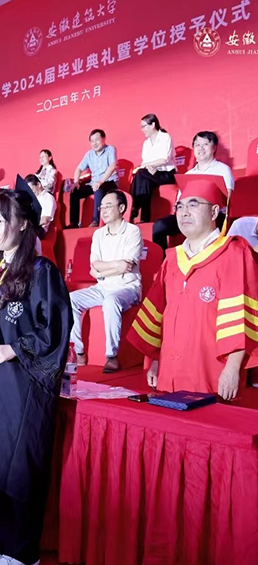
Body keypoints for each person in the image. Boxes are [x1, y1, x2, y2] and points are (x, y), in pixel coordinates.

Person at [0, 189, 72, 565]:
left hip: (25, 384)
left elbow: (54, 329)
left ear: (23, 224)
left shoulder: (42, 271)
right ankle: (1, 540)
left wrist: (16, 349)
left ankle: (24, 552)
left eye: (2, 220)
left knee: (21, 464)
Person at [127, 176, 258, 400]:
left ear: (214, 212)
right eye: (180, 206)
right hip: (170, 373)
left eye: (193, 204)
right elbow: (159, 314)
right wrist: (156, 359)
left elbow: (241, 316)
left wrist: (232, 368)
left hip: (211, 374)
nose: (184, 212)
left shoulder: (234, 253)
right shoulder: (172, 259)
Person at [69, 191, 143, 373]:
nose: (103, 210)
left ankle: (112, 356)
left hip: (127, 287)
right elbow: (94, 267)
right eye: (101, 207)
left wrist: (103, 270)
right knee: (71, 299)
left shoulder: (133, 231)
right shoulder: (99, 234)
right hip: (102, 286)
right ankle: (79, 352)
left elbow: (127, 266)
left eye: (108, 206)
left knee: (111, 301)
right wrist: (116, 265)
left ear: (122, 208)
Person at [152, 131, 235, 251]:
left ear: (214, 148)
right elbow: (180, 200)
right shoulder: (188, 174)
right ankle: (165, 260)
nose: (200, 148)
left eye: (205, 144)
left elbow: (227, 198)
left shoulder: (223, 170)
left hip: (213, 216)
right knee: (160, 226)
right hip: (189, 214)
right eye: (197, 145)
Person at [129, 114, 177, 223]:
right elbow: (145, 161)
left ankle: (135, 206)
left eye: (144, 126)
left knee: (141, 173)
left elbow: (164, 159)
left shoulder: (165, 137)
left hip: (167, 173)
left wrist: (150, 166)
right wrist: (149, 167)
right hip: (150, 173)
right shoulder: (146, 143)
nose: (142, 130)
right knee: (144, 180)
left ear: (153, 125)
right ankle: (145, 218)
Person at [68, 129, 119, 228]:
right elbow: (78, 169)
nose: (94, 143)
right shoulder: (89, 154)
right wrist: (76, 182)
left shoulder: (110, 149)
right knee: (75, 192)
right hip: (94, 183)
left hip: (109, 181)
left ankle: (96, 221)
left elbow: (112, 166)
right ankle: (73, 223)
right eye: (92, 141)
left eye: (97, 140)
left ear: (103, 139)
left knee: (98, 189)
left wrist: (100, 181)